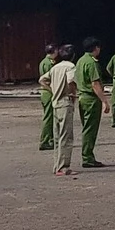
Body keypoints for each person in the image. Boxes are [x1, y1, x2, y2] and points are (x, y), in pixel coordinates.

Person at [45, 45, 81, 178]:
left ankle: (57, 165)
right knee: (66, 136)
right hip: (65, 103)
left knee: (57, 137)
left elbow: (42, 80)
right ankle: (64, 167)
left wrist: (53, 90)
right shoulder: (70, 66)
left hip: (55, 103)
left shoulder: (55, 67)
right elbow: (71, 81)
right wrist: (73, 94)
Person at [74, 38, 108, 169]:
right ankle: (87, 157)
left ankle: (87, 155)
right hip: (91, 99)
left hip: (82, 97)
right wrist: (104, 101)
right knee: (90, 130)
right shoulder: (91, 63)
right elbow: (95, 84)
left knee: (86, 127)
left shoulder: (80, 61)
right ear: (95, 48)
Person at [38, 50, 60, 152]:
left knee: (50, 117)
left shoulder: (43, 61)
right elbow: (49, 79)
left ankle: (50, 139)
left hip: (45, 92)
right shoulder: (49, 63)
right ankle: (45, 141)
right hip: (48, 92)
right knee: (49, 118)